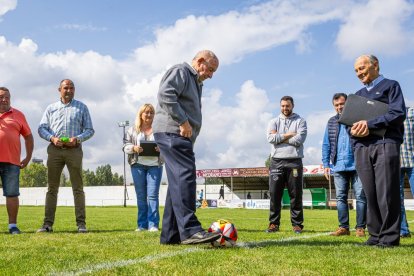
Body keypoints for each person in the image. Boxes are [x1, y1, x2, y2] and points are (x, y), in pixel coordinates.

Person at [153, 50, 221, 245]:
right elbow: (165, 94)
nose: (211, 75)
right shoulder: (181, 71)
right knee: (185, 176)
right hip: (173, 132)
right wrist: (183, 122)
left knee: (177, 182)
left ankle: (170, 235)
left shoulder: (196, 82)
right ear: (199, 62)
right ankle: (190, 230)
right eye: (210, 69)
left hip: (176, 134)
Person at [351, 55, 406, 247]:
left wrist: (370, 124)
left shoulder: (391, 86)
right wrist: (355, 135)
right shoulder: (357, 95)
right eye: (356, 70)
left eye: (362, 67)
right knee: (370, 193)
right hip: (363, 148)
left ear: (375, 65)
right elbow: (352, 124)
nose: (359, 72)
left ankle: (389, 238)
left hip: (385, 143)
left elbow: (398, 114)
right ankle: (374, 236)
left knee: (386, 193)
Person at [37, 79, 94, 233]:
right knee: (52, 189)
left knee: (78, 188)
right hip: (54, 150)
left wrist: (77, 139)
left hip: (74, 150)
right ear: (59, 89)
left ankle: (81, 225)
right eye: (66, 88)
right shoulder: (51, 108)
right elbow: (41, 128)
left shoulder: (82, 107)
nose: (69, 90)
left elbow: (90, 130)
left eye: (72, 88)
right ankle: (47, 224)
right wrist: (52, 138)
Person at [322, 93, 367, 237]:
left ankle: (360, 227)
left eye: (342, 104)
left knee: (360, 195)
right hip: (338, 165)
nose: (339, 107)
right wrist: (326, 164)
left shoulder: (356, 119)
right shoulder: (331, 122)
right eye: (336, 105)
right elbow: (326, 144)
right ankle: (344, 227)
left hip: (357, 163)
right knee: (340, 197)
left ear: (347, 103)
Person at [266, 96, 307, 234]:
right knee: (274, 194)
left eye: (287, 106)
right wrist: (290, 134)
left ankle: (297, 225)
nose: (285, 108)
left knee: (295, 194)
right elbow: (271, 138)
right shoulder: (273, 121)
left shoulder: (300, 121)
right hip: (277, 160)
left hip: (294, 160)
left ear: (292, 106)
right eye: (282, 106)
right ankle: (273, 224)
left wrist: (280, 137)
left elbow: (299, 140)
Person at [123, 103, 163, 232]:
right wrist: (133, 148)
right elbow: (124, 146)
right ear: (141, 114)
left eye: (151, 112)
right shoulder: (132, 130)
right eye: (146, 112)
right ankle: (142, 225)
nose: (149, 115)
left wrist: (161, 148)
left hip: (155, 166)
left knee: (152, 196)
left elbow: (167, 145)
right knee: (141, 196)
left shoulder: (159, 129)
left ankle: (153, 225)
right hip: (137, 165)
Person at [0, 87, 34, 234]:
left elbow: (28, 137)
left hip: (12, 162)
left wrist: (28, 157)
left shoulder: (18, 115)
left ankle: (12, 226)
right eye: (1, 96)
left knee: (12, 194)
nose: (4, 99)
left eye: (7, 96)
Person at [400, 106, 413, 238]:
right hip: (394, 163)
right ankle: (403, 230)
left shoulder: (411, 112)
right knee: (397, 199)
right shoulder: (385, 114)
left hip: (412, 160)